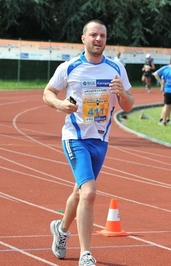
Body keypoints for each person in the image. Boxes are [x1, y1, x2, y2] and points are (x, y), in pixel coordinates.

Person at [43, 19, 134, 266]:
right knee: (90, 193)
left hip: (101, 139)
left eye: (102, 35)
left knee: (80, 191)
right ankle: (86, 253)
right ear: (83, 38)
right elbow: (47, 93)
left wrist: (121, 93)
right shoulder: (69, 67)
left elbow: (128, 104)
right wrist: (61, 104)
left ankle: (60, 230)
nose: (98, 39)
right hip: (75, 137)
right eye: (93, 34)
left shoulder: (116, 68)